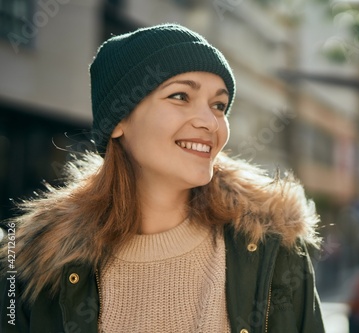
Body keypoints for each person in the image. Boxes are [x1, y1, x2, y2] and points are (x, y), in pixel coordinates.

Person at [0, 23, 325, 333]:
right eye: (180, 96)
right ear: (119, 120)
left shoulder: (274, 247)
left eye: (219, 105)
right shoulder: (34, 266)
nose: (210, 123)